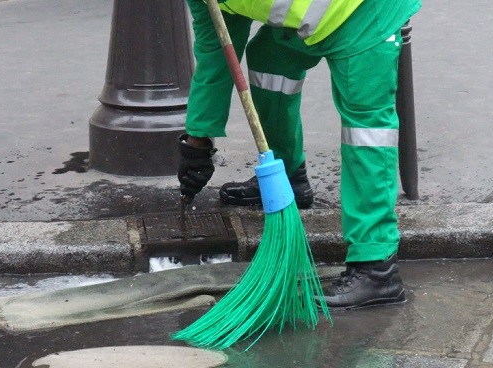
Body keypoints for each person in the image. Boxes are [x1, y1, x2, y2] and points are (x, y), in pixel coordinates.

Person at [177, 0, 421, 310]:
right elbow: (219, 49)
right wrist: (198, 139)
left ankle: (376, 268)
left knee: (366, 134)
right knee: (269, 62)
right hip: (316, 19)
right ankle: (288, 178)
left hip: (364, 12)